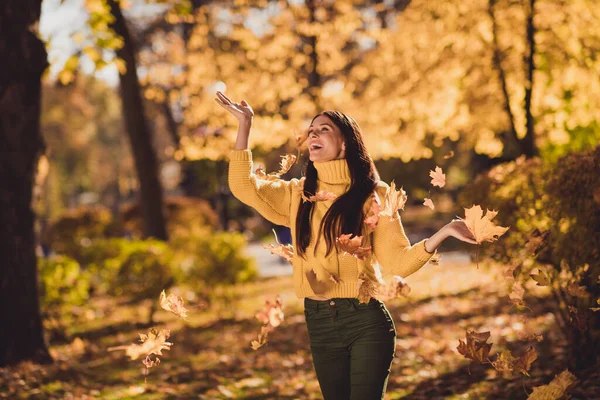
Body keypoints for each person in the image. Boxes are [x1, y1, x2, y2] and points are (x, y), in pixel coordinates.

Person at [215, 91, 477, 400]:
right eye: (311, 129)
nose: (314, 133)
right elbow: (244, 186)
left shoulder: (373, 194)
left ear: (345, 143)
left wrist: (442, 233)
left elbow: (396, 263)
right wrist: (245, 124)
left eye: (324, 129)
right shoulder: (298, 195)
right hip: (318, 322)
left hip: (365, 320)